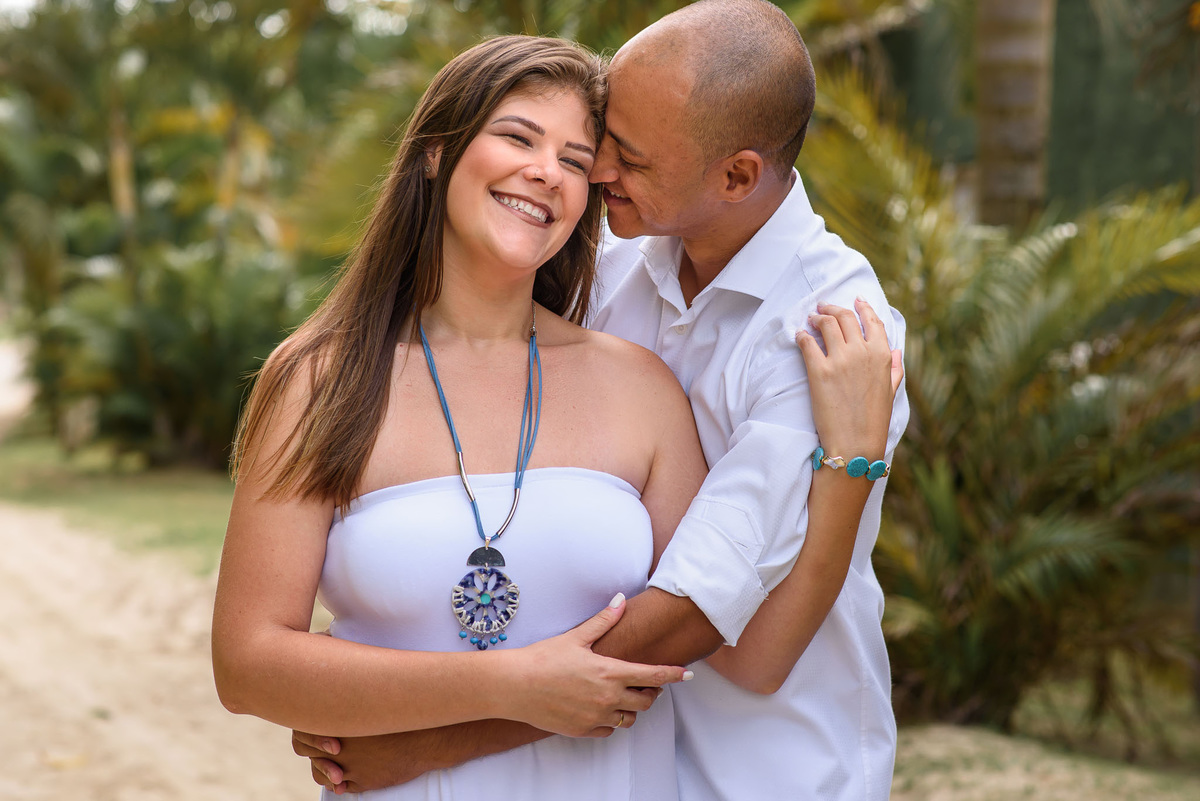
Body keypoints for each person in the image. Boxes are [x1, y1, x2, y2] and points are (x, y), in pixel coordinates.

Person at [215, 30, 899, 801]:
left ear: (736, 175)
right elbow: (248, 663)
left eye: (582, 159)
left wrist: (855, 463)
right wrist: (455, 688)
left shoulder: (777, 345)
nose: (568, 172)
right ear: (436, 150)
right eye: (517, 136)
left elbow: (732, 640)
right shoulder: (322, 380)